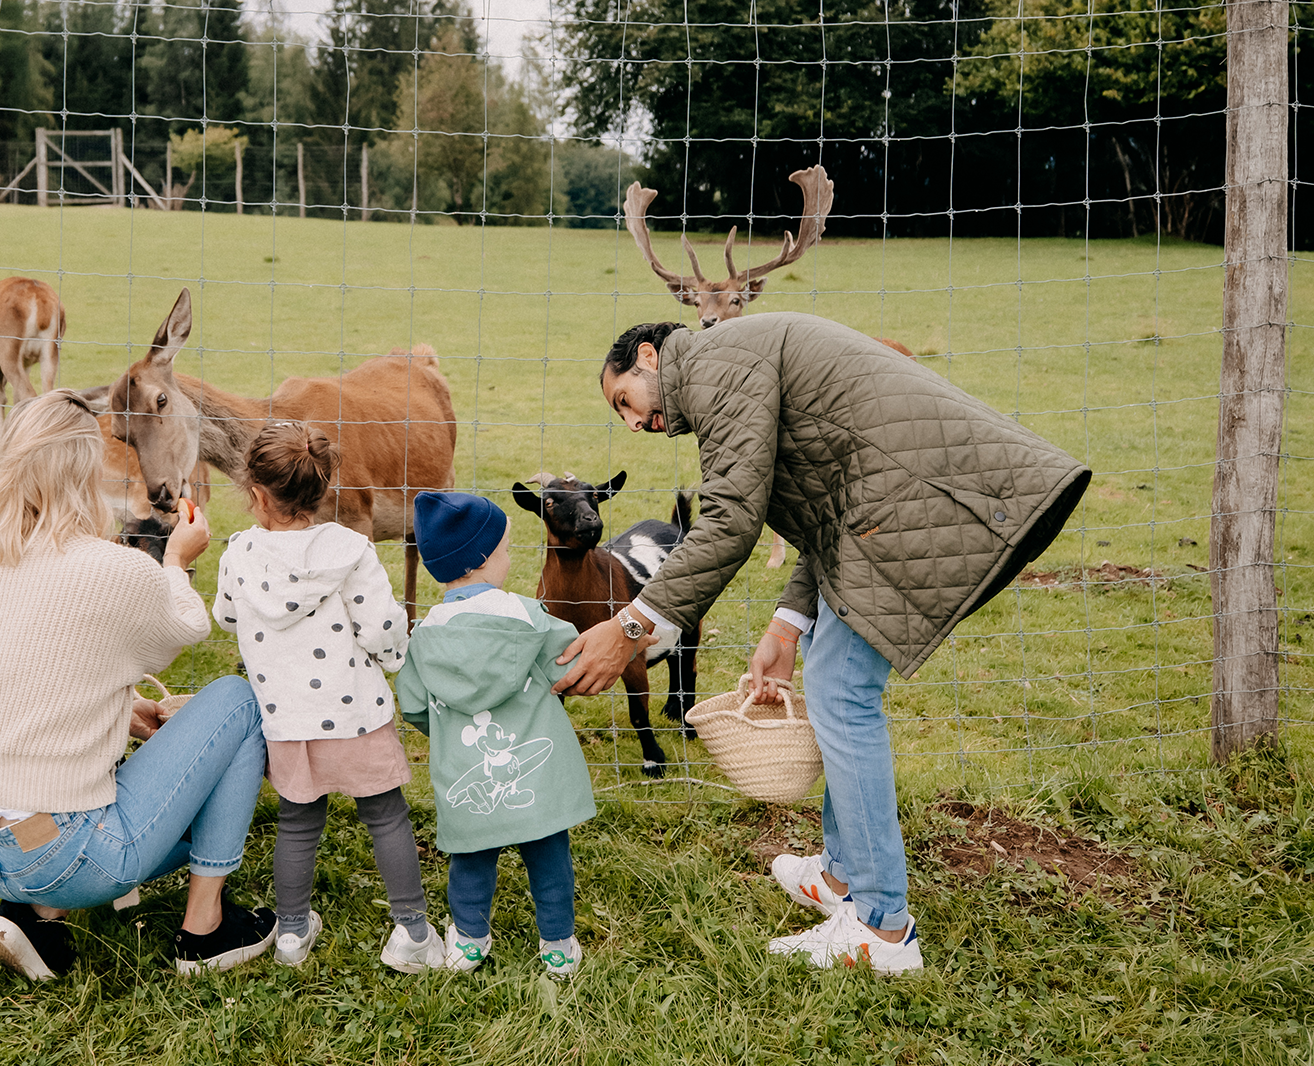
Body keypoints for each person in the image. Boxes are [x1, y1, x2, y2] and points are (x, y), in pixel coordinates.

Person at [556, 312, 1089, 974]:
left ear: (648, 358)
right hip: (886, 505)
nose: (633, 424)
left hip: (926, 500)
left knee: (842, 693)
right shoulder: (726, 367)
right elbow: (822, 507)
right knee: (836, 680)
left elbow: (730, 520)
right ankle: (842, 876)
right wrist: (787, 624)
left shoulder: (717, 366)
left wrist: (633, 625)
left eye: (624, 402)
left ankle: (882, 928)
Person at [0, 390, 275, 981]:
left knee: (176, 761)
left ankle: (35, 912)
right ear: (85, 469)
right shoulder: (110, 569)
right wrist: (176, 560)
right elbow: (186, 624)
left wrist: (119, 712)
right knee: (237, 703)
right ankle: (205, 932)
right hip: (77, 851)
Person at [212, 421, 436, 971]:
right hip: (355, 712)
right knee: (386, 816)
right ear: (323, 489)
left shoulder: (238, 554)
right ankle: (413, 931)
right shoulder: (350, 550)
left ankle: (290, 933)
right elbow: (382, 626)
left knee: (297, 822)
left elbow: (225, 614)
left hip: (287, 721)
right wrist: (395, 661)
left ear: (256, 494)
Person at [397, 491, 598, 977]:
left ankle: (469, 940)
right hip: (538, 775)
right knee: (550, 857)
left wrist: (446, 726)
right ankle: (557, 946)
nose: (509, 559)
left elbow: (413, 705)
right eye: (506, 549)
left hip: (471, 779)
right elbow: (566, 665)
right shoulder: (529, 617)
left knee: (470, 859)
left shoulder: (423, 635)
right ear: (486, 558)